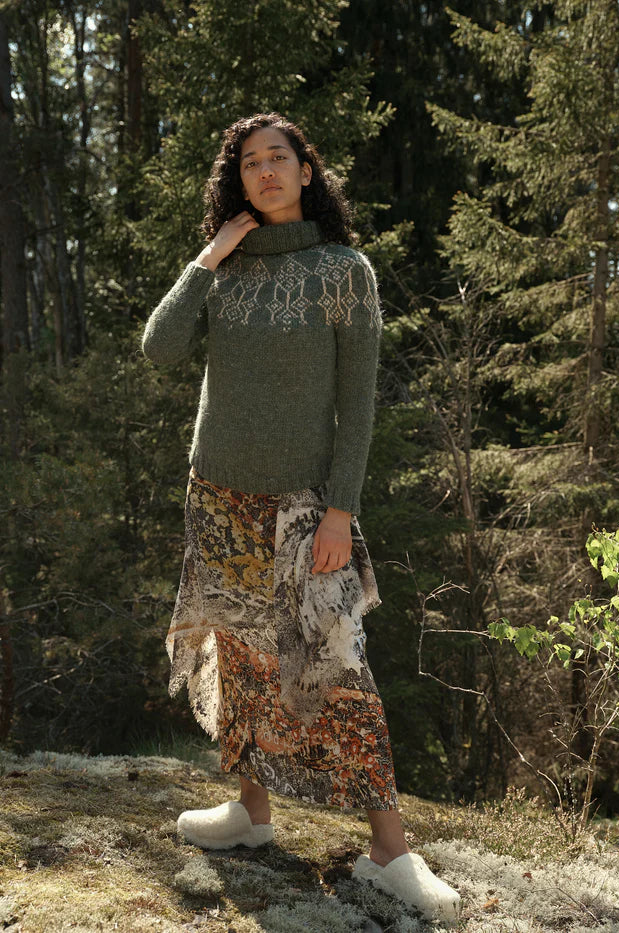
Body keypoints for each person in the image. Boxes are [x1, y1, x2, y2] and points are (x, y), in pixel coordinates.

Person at [140, 112, 460, 924]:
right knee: (242, 658)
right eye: (250, 162)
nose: (265, 171)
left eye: (278, 157)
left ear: (306, 170)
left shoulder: (345, 270)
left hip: (304, 508)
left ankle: (388, 849)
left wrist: (340, 512)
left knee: (339, 664)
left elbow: (358, 406)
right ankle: (252, 812)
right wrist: (210, 255)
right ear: (238, 179)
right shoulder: (226, 268)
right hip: (217, 498)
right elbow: (160, 346)